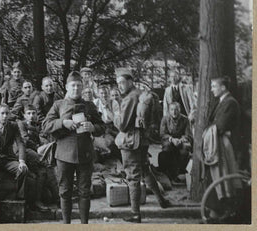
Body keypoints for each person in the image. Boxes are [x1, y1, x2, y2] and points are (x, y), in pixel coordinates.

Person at [42, 71, 104, 224]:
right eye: (73, 85)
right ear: (66, 87)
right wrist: (63, 123)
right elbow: (45, 125)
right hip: (64, 154)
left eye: (78, 85)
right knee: (65, 191)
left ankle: (84, 225)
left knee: (84, 191)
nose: (76, 88)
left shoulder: (89, 106)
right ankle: (66, 224)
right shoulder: (58, 105)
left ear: (82, 87)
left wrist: (93, 127)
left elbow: (102, 126)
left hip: (85, 154)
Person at [112, 68, 170, 223]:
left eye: (123, 82)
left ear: (131, 81)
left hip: (131, 142)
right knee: (145, 170)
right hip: (143, 141)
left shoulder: (129, 98)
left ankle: (135, 214)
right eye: (118, 83)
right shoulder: (140, 94)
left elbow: (123, 125)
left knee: (132, 177)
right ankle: (162, 200)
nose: (120, 86)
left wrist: (115, 115)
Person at [202, 76, 242, 222]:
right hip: (217, 145)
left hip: (223, 146)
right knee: (216, 177)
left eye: (214, 86)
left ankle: (225, 214)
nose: (212, 89)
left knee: (223, 178)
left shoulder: (230, 103)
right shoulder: (223, 102)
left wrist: (207, 131)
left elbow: (220, 126)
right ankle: (215, 214)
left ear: (223, 87)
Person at [0, 104, 28, 224]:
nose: (4, 116)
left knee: (23, 170)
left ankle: (17, 198)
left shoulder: (13, 126)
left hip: (8, 159)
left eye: (6, 113)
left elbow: (20, 143)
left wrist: (21, 161)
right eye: (2, 113)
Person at [17, 104, 52, 211]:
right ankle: (37, 201)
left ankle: (47, 198)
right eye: (28, 113)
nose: (31, 116)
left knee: (43, 171)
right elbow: (25, 140)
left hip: (34, 152)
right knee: (44, 164)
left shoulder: (37, 126)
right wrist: (38, 147)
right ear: (24, 115)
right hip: (23, 152)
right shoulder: (21, 124)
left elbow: (42, 138)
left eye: (33, 113)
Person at [158, 102, 192, 184]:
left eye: (176, 110)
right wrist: (171, 139)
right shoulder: (165, 119)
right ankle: (167, 174)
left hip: (180, 141)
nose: (174, 112)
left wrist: (181, 139)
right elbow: (162, 134)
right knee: (167, 149)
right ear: (169, 111)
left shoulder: (185, 119)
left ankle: (178, 173)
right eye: (172, 110)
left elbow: (188, 134)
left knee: (184, 150)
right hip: (169, 141)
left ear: (179, 110)